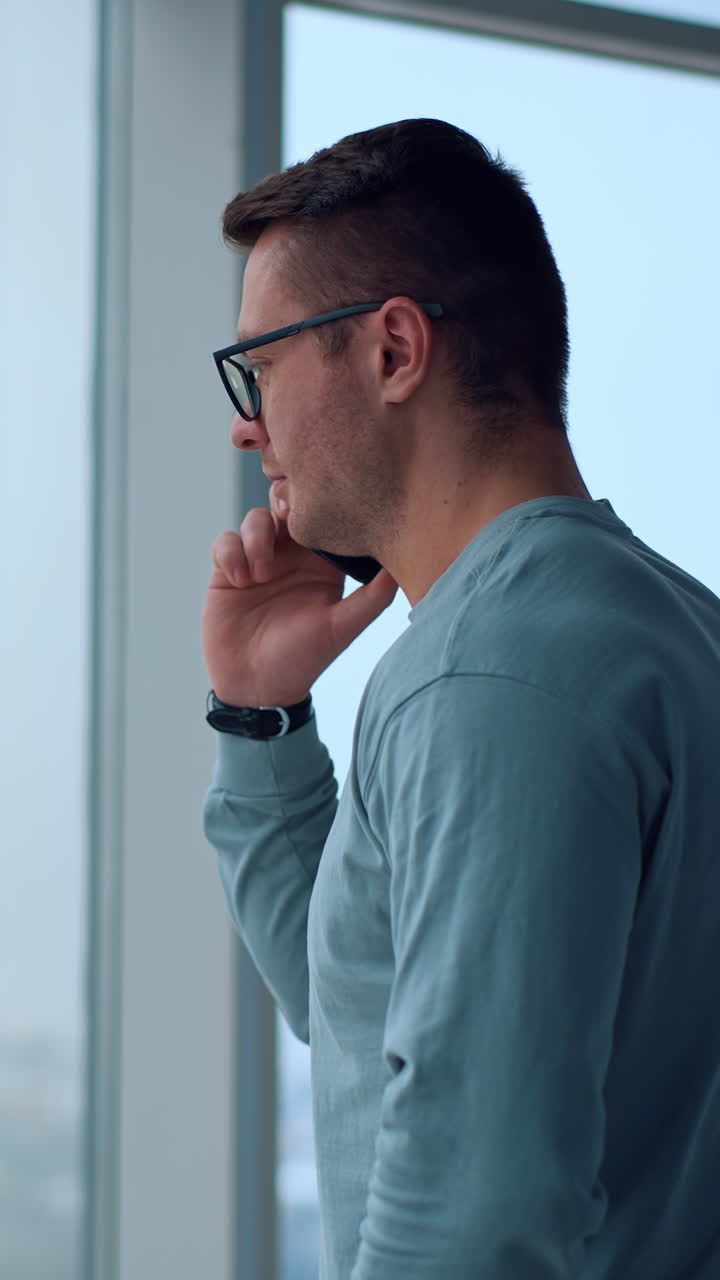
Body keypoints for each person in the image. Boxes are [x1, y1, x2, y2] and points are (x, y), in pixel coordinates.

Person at [201, 118, 720, 1279]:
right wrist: (260, 716)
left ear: (393, 351)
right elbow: (371, 1010)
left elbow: (474, 1221)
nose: (250, 425)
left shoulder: (483, 678)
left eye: (264, 364)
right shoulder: (668, 627)